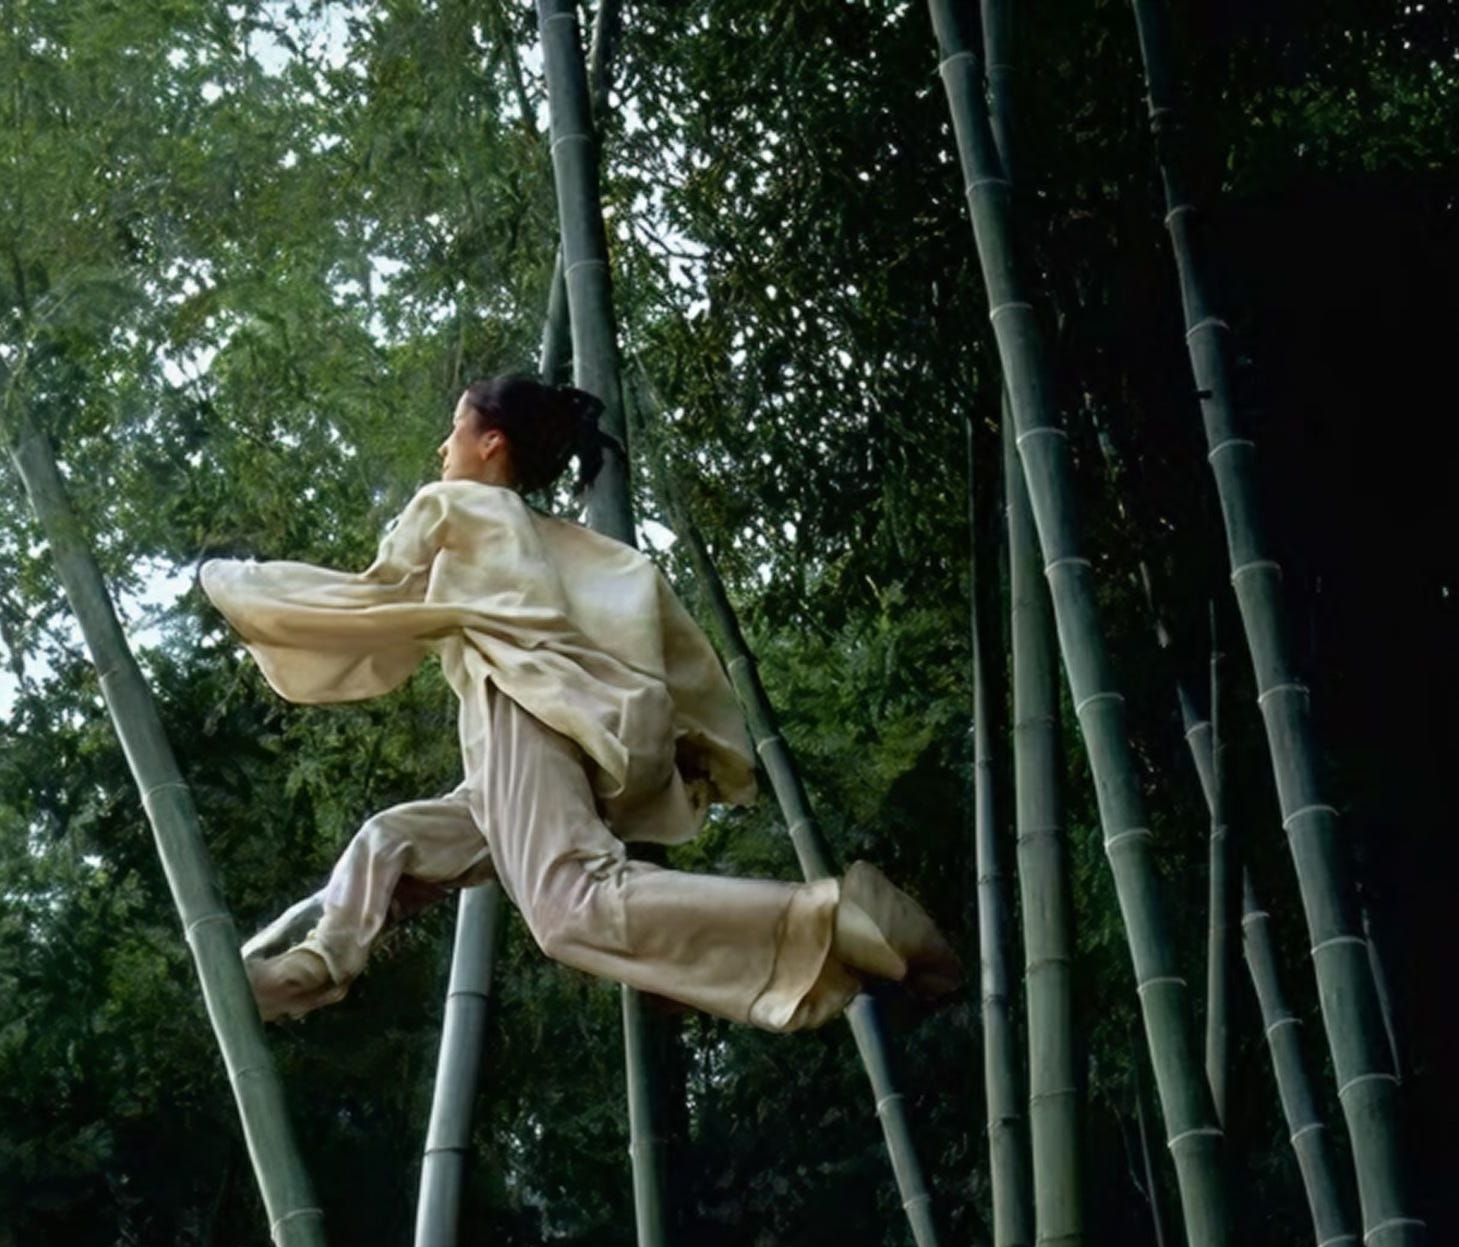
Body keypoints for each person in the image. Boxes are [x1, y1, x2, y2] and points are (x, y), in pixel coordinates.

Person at [198, 374, 961, 1030]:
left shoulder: (454, 504)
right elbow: (648, 626)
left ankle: (829, 922)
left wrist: (237, 584)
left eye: (454, 427)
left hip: (518, 711)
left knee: (570, 909)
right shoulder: (558, 540)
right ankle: (315, 967)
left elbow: (373, 596)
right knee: (392, 840)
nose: (442, 445)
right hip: (551, 733)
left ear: (490, 441)